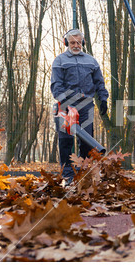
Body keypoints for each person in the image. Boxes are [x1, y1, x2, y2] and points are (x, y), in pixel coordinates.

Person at [51, 29, 109, 178]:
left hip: (86, 105)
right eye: (72, 42)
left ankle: (82, 172)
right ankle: (67, 174)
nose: (75, 45)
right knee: (65, 140)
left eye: (78, 42)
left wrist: (103, 99)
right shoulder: (60, 61)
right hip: (65, 105)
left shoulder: (91, 61)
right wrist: (65, 102)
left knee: (86, 140)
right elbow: (56, 84)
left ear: (83, 43)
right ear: (66, 43)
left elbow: (99, 82)